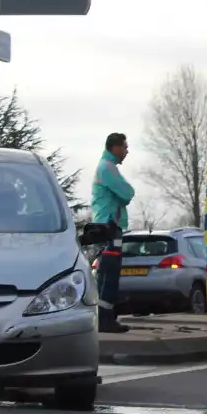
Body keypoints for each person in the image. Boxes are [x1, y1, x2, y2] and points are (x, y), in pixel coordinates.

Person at [91, 133, 135, 334]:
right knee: (109, 273)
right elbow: (127, 193)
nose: (126, 151)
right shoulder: (107, 168)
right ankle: (106, 320)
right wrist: (124, 196)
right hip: (109, 225)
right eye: (124, 147)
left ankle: (106, 317)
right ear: (114, 147)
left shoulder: (107, 167)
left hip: (107, 224)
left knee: (107, 272)